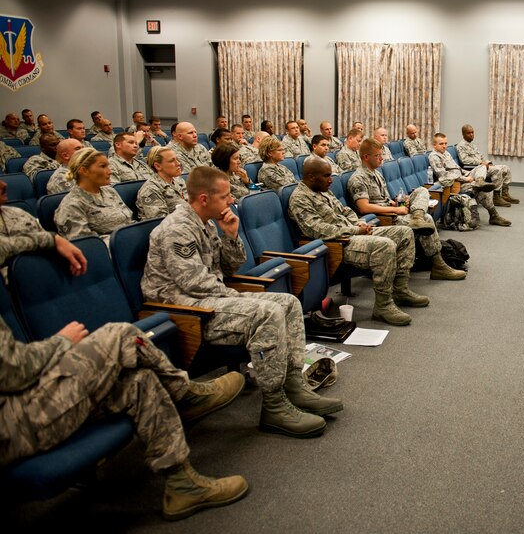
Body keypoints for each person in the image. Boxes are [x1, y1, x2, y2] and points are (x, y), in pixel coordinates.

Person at [0, 180, 248, 521]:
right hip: (10, 424)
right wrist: (61, 342)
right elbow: (12, 372)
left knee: (140, 379)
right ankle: (185, 391)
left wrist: (51, 239)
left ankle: (181, 484)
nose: (2, 184)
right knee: (119, 336)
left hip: (20, 405)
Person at [142, 166, 343, 438]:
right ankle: (274, 406)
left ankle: (294, 385)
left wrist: (231, 236)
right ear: (204, 198)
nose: (231, 201)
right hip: (182, 310)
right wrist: (238, 298)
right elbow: (194, 283)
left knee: (288, 303)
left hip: (209, 298)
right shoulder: (177, 229)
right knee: (267, 313)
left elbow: (229, 268)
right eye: (224, 197)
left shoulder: (207, 222)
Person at [290, 158, 429, 325]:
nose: (331, 180)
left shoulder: (323, 190)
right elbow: (317, 230)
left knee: (404, 233)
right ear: (311, 177)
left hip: (351, 233)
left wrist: (358, 223)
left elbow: (345, 211)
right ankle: (383, 305)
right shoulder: (299, 198)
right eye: (326, 176)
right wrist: (356, 230)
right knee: (385, 245)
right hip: (336, 244)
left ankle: (400, 290)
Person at [348, 138, 465, 281]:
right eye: (377, 155)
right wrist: (396, 210)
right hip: (384, 219)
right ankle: (438, 265)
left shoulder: (376, 174)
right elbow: (364, 207)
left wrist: (397, 202)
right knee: (427, 219)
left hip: (392, 210)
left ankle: (417, 216)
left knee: (421, 190)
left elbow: (384, 199)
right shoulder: (358, 178)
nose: (382, 158)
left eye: (381, 155)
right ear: (366, 157)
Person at [429, 133, 510, 227]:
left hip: (462, 177)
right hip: (455, 184)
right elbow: (444, 175)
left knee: (482, 167)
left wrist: (468, 173)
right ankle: (494, 215)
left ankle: (480, 181)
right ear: (434, 145)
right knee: (483, 190)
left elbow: (457, 168)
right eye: (441, 144)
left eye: (445, 143)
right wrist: (465, 179)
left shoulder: (446, 153)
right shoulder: (434, 156)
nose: (444, 146)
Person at [54, 148, 134, 242]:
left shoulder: (110, 191)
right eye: (103, 166)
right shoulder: (71, 205)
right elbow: (88, 246)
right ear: (84, 171)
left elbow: (129, 222)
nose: (110, 172)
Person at [458, 123, 519, 206]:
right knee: (497, 170)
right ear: (463, 134)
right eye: (469, 133)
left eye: (472, 132)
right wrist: (480, 163)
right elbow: (465, 160)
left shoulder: (472, 145)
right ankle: (496, 198)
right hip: (476, 169)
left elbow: (481, 157)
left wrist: (488, 162)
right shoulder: (461, 146)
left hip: (483, 165)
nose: (471, 135)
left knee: (505, 168)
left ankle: (505, 194)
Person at [137, 146, 187, 220]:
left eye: (177, 159)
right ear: (158, 166)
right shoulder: (150, 189)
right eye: (172, 161)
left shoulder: (179, 181)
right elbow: (160, 221)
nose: (178, 163)